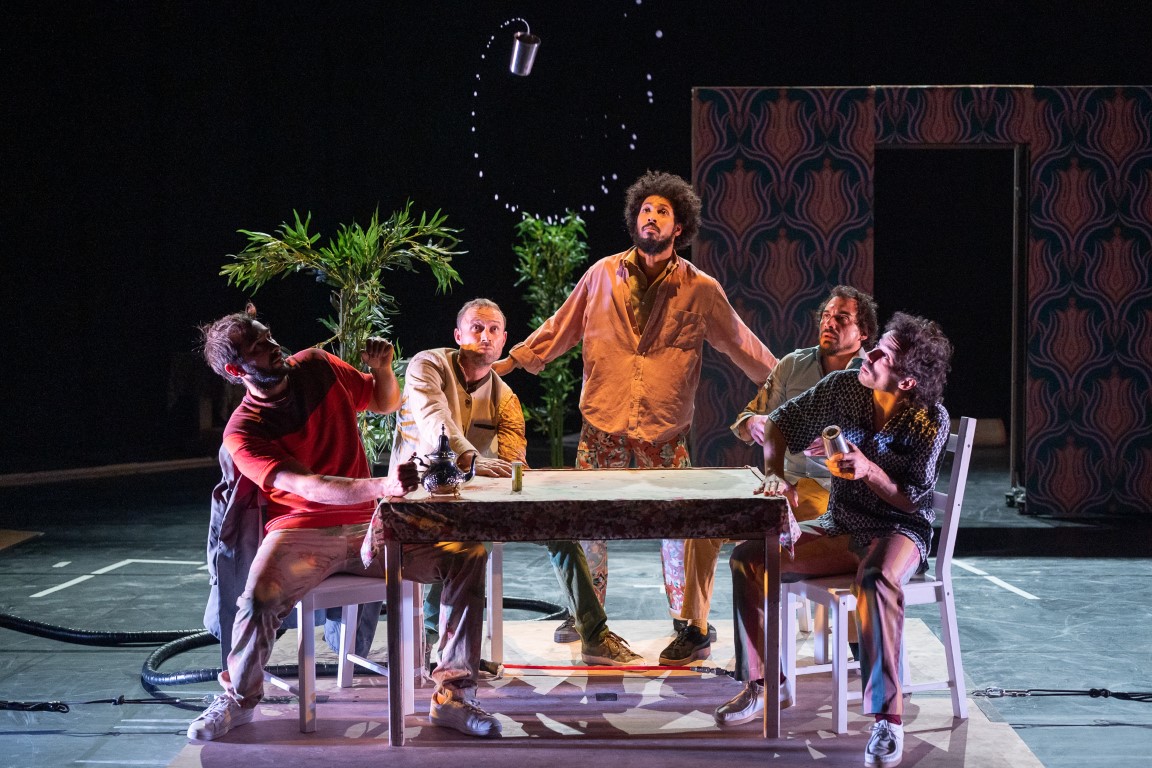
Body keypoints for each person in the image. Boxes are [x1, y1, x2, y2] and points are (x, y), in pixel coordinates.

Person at [493, 170, 778, 663]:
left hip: (664, 432)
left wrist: (785, 384)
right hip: (602, 427)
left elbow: (742, 344)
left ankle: (689, 623)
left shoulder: (701, 289)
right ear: (634, 219)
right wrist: (511, 362)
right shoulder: (602, 274)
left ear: (679, 227)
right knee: (586, 525)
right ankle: (586, 616)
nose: (652, 217)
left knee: (680, 530)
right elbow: (561, 326)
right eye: (646, 209)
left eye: (663, 211)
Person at [189, 305, 501, 741]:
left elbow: (382, 401)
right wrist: (383, 486)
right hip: (300, 532)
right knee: (258, 600)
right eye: (258, 346)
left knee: (465, 554)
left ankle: (453, 696)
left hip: (369, 527)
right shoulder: (244, 431)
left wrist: (383, 371)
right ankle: (239, 699)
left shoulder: (317, 366)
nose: (273, 345)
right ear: (234, 369)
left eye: (268, 335)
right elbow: (309, 486)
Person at [714, 312, 953, 768]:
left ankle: (888, 719)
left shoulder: (930, 419)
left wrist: (868, 470)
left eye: (884, 355)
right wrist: (776, 478)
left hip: (899, 529)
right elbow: (779, 424)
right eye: (877, 344)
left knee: (876, 579)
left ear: (906, 382)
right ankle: (766, 683)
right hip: (842, 522)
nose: (869, 354)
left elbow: (911, 501)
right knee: (750, 558)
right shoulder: (845, 386)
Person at [391, 298, 640, 665]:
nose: (485, 337)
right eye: (477, 328)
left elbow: (514, 465)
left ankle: (595, 634)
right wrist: (472, 460)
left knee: (560, 530)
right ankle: (432, 638)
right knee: (465, 539)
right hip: (416, 494)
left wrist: (523, 485)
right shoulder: (428, 366)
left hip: (476, 499)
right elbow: (434, 421)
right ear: (458, 335)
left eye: (494, 330)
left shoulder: (505, 398)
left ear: (504, 340)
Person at [666, 287, 879, 664]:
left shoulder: (873, 375)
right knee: (705, 522)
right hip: (783, 485)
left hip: (836, 494)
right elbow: (749, 416)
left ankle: (833, 641)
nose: (829, 323)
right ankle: (696, 629)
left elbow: (887, 441)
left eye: (841, 319)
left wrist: (845, 444)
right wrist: (755, 424)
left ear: (863, 332)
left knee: (767, 547)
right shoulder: (794, 365)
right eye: (826, 316)